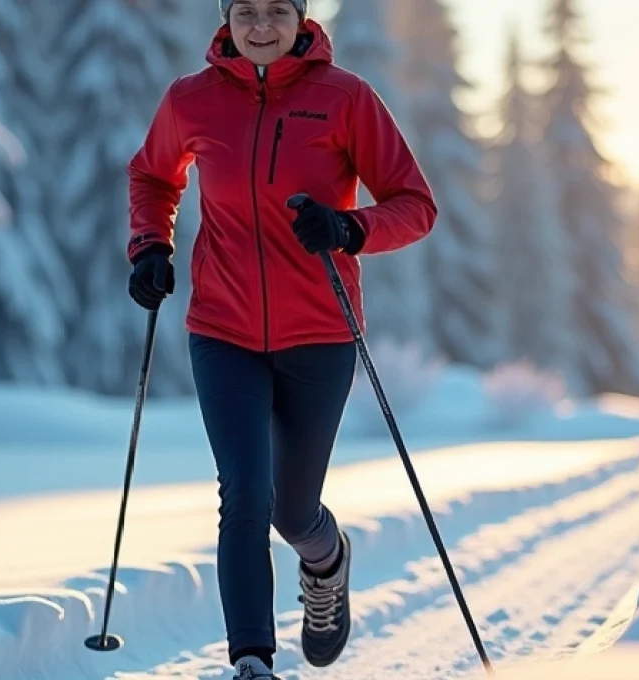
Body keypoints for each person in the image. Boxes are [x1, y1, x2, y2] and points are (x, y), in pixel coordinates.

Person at [124, 0, 437, 677]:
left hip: (319, 335)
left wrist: (350, 228)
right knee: (244, 493)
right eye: (245, 11)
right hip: (222, 330)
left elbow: (416, 206)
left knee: (292, 512)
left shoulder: (346, 98)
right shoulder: (191, 100)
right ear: (226, 18)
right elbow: (153, 176)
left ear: (301, 17)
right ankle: (252, 662)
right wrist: (150, 244)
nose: (260, 25)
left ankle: (327, 563)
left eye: (275, 10)